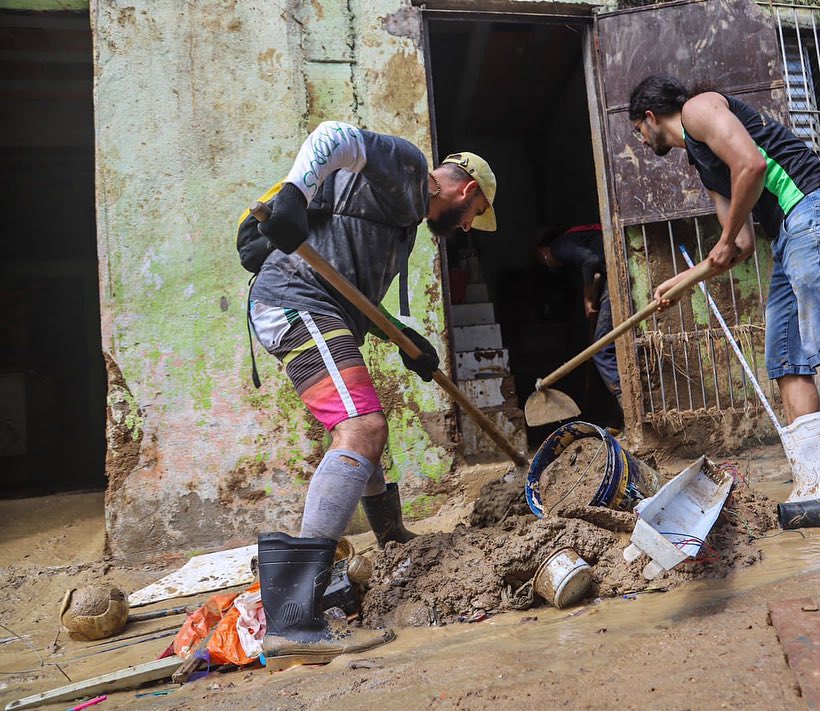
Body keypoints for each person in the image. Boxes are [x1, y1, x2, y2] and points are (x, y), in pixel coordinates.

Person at [237, 121, 497, 668]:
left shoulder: (401, 225)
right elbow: (334, 136)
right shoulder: (407, 167)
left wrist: (407, 343)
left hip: (320, 306)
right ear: (467, 191)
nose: (469, 227)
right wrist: (293, 194)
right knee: (363, 427)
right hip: (295, 299)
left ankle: (393, 535)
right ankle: (296, 620)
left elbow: (351, 286)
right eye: (475, 216)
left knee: (365, 427)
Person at [628, 76, 820, 544]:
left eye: (638, 131)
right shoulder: (704, 167)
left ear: (648, 117)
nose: (641, 141)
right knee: (785, 353)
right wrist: (686, 282)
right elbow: (739, 244)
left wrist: (722, 243)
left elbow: (752, 164)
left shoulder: (700, 110)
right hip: (787, 233)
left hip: (814, 205)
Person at [537, 224, 623, 412]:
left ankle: (627, 403)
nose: (550, 265)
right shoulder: (575, 239)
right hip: (614, 271)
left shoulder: (557, 247)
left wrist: (587, 297)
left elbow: (590, 260)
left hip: (618, 272)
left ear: (544, 251)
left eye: (543, 260)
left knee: (601, 348)